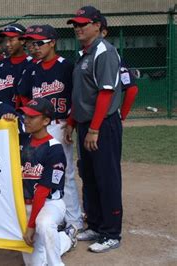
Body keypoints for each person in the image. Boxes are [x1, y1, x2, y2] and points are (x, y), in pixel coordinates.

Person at [64, 6, 123, 253]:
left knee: (106, 177)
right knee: (88, 175)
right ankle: (97, 224)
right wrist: (72, 122)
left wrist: (95, 128)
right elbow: (80, 96)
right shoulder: (84, 53)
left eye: (83, 24)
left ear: (98, 25)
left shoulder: (104, 52)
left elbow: (105, 93)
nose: (78, 28)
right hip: (87, 124)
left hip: (103, 124)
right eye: (75, 24)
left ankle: (111, 232)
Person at [19, 25, 84, 232]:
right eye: (32, 43)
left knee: (65, 175)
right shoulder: (32, 67)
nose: (35, 47)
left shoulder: (66, 66)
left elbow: (77, 97)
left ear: (53, 42)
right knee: (36, 173)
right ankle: (53, 216)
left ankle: (74, 220)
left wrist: (71, 123)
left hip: (59, 124)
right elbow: (23, 95)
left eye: (40, 43)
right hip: (37, 128)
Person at [19, 98, 78, 265]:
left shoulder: (55, 149)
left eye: (32, 117)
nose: (26, 120)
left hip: (49, 204)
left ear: (46, 121)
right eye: (26, 116)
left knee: (43, 225)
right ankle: (65, 238)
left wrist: (31, 226)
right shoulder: (22, 141)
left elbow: (43, 191)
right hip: (24, 205)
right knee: (34, 263)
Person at [100, 16, 139, 122]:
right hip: (105, 116)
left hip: (104, 117)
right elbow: (132, 89)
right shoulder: (83, 56)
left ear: (103, 32)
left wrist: (122, 115)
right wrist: (122, 115)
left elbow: (132, 89)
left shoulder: (111, 56)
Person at [0, 23, 32, 108]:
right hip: (1, 114)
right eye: (6, 40)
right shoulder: (1, 64)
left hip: (22, 115)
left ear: (22, 41)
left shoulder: (31, 64)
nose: (7, 44)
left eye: (11, 40)